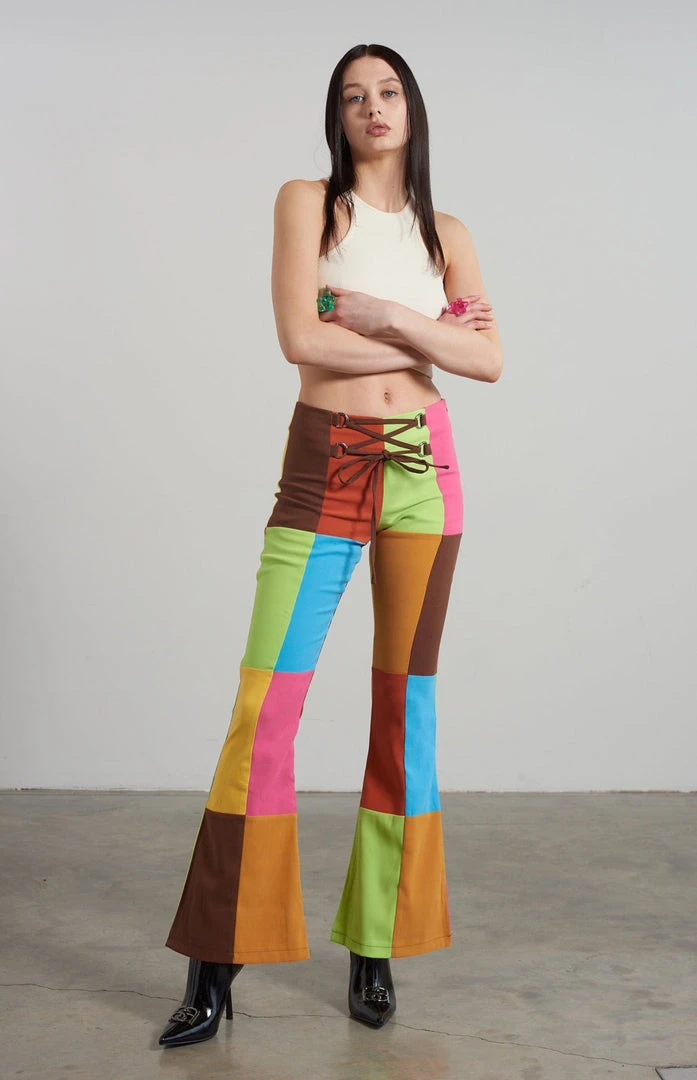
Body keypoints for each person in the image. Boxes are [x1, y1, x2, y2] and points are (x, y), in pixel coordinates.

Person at [158, 41, 503, 1049]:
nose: (372, 107)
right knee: (265, 703)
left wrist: (384, 313)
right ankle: (215, 964)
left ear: (412, 107)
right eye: (353, 96)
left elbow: (488, 359)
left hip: (425, 474)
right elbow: (300, 340)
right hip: (327, 461)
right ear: (336, 115)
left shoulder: (447, 232)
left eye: (387, 91)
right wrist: (430, 334)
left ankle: (376, 946)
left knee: (406, 707)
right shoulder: (308, 204)